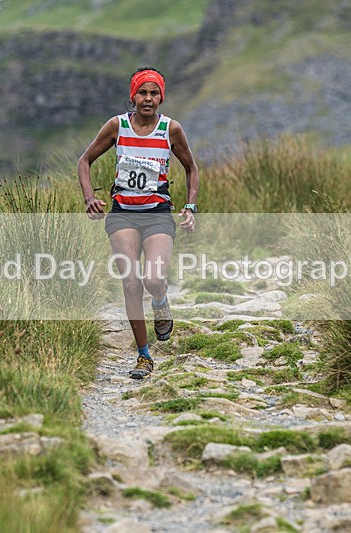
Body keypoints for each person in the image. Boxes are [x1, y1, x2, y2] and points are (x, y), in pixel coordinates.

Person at [78, 66, 200, 379]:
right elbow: (84, 161)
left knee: (153, 278)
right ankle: (144, 356)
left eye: (154, 93)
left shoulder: (170, 129)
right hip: (122, 215)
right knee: (130, 282)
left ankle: (160, 302)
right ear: (133, 96)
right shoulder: (117, 126)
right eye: (142, 93)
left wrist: (189, 206)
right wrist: (89, 197)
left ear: (162, 97)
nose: (148, 98)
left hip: (158, 215)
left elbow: (191, 169)